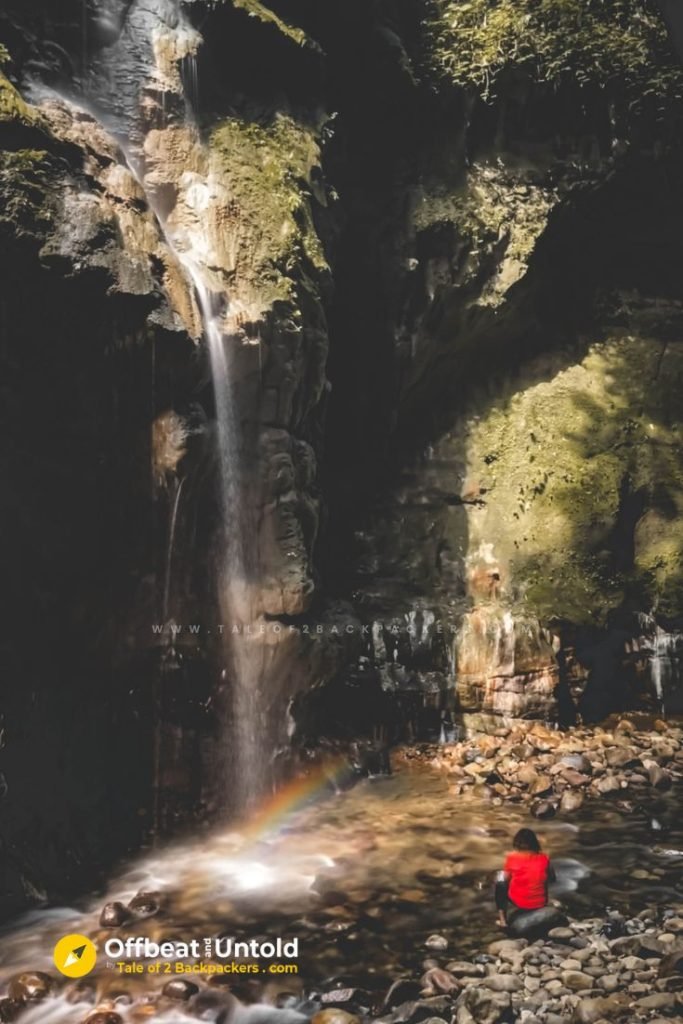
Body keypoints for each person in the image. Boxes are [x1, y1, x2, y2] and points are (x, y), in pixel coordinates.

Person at [495, 827, 555, 927]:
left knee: (500, 881)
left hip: (521, 903)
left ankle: (503, 921)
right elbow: (552, 879)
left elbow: (504, 879)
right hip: (541, 902)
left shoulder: (512, 858)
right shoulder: (544, 858)